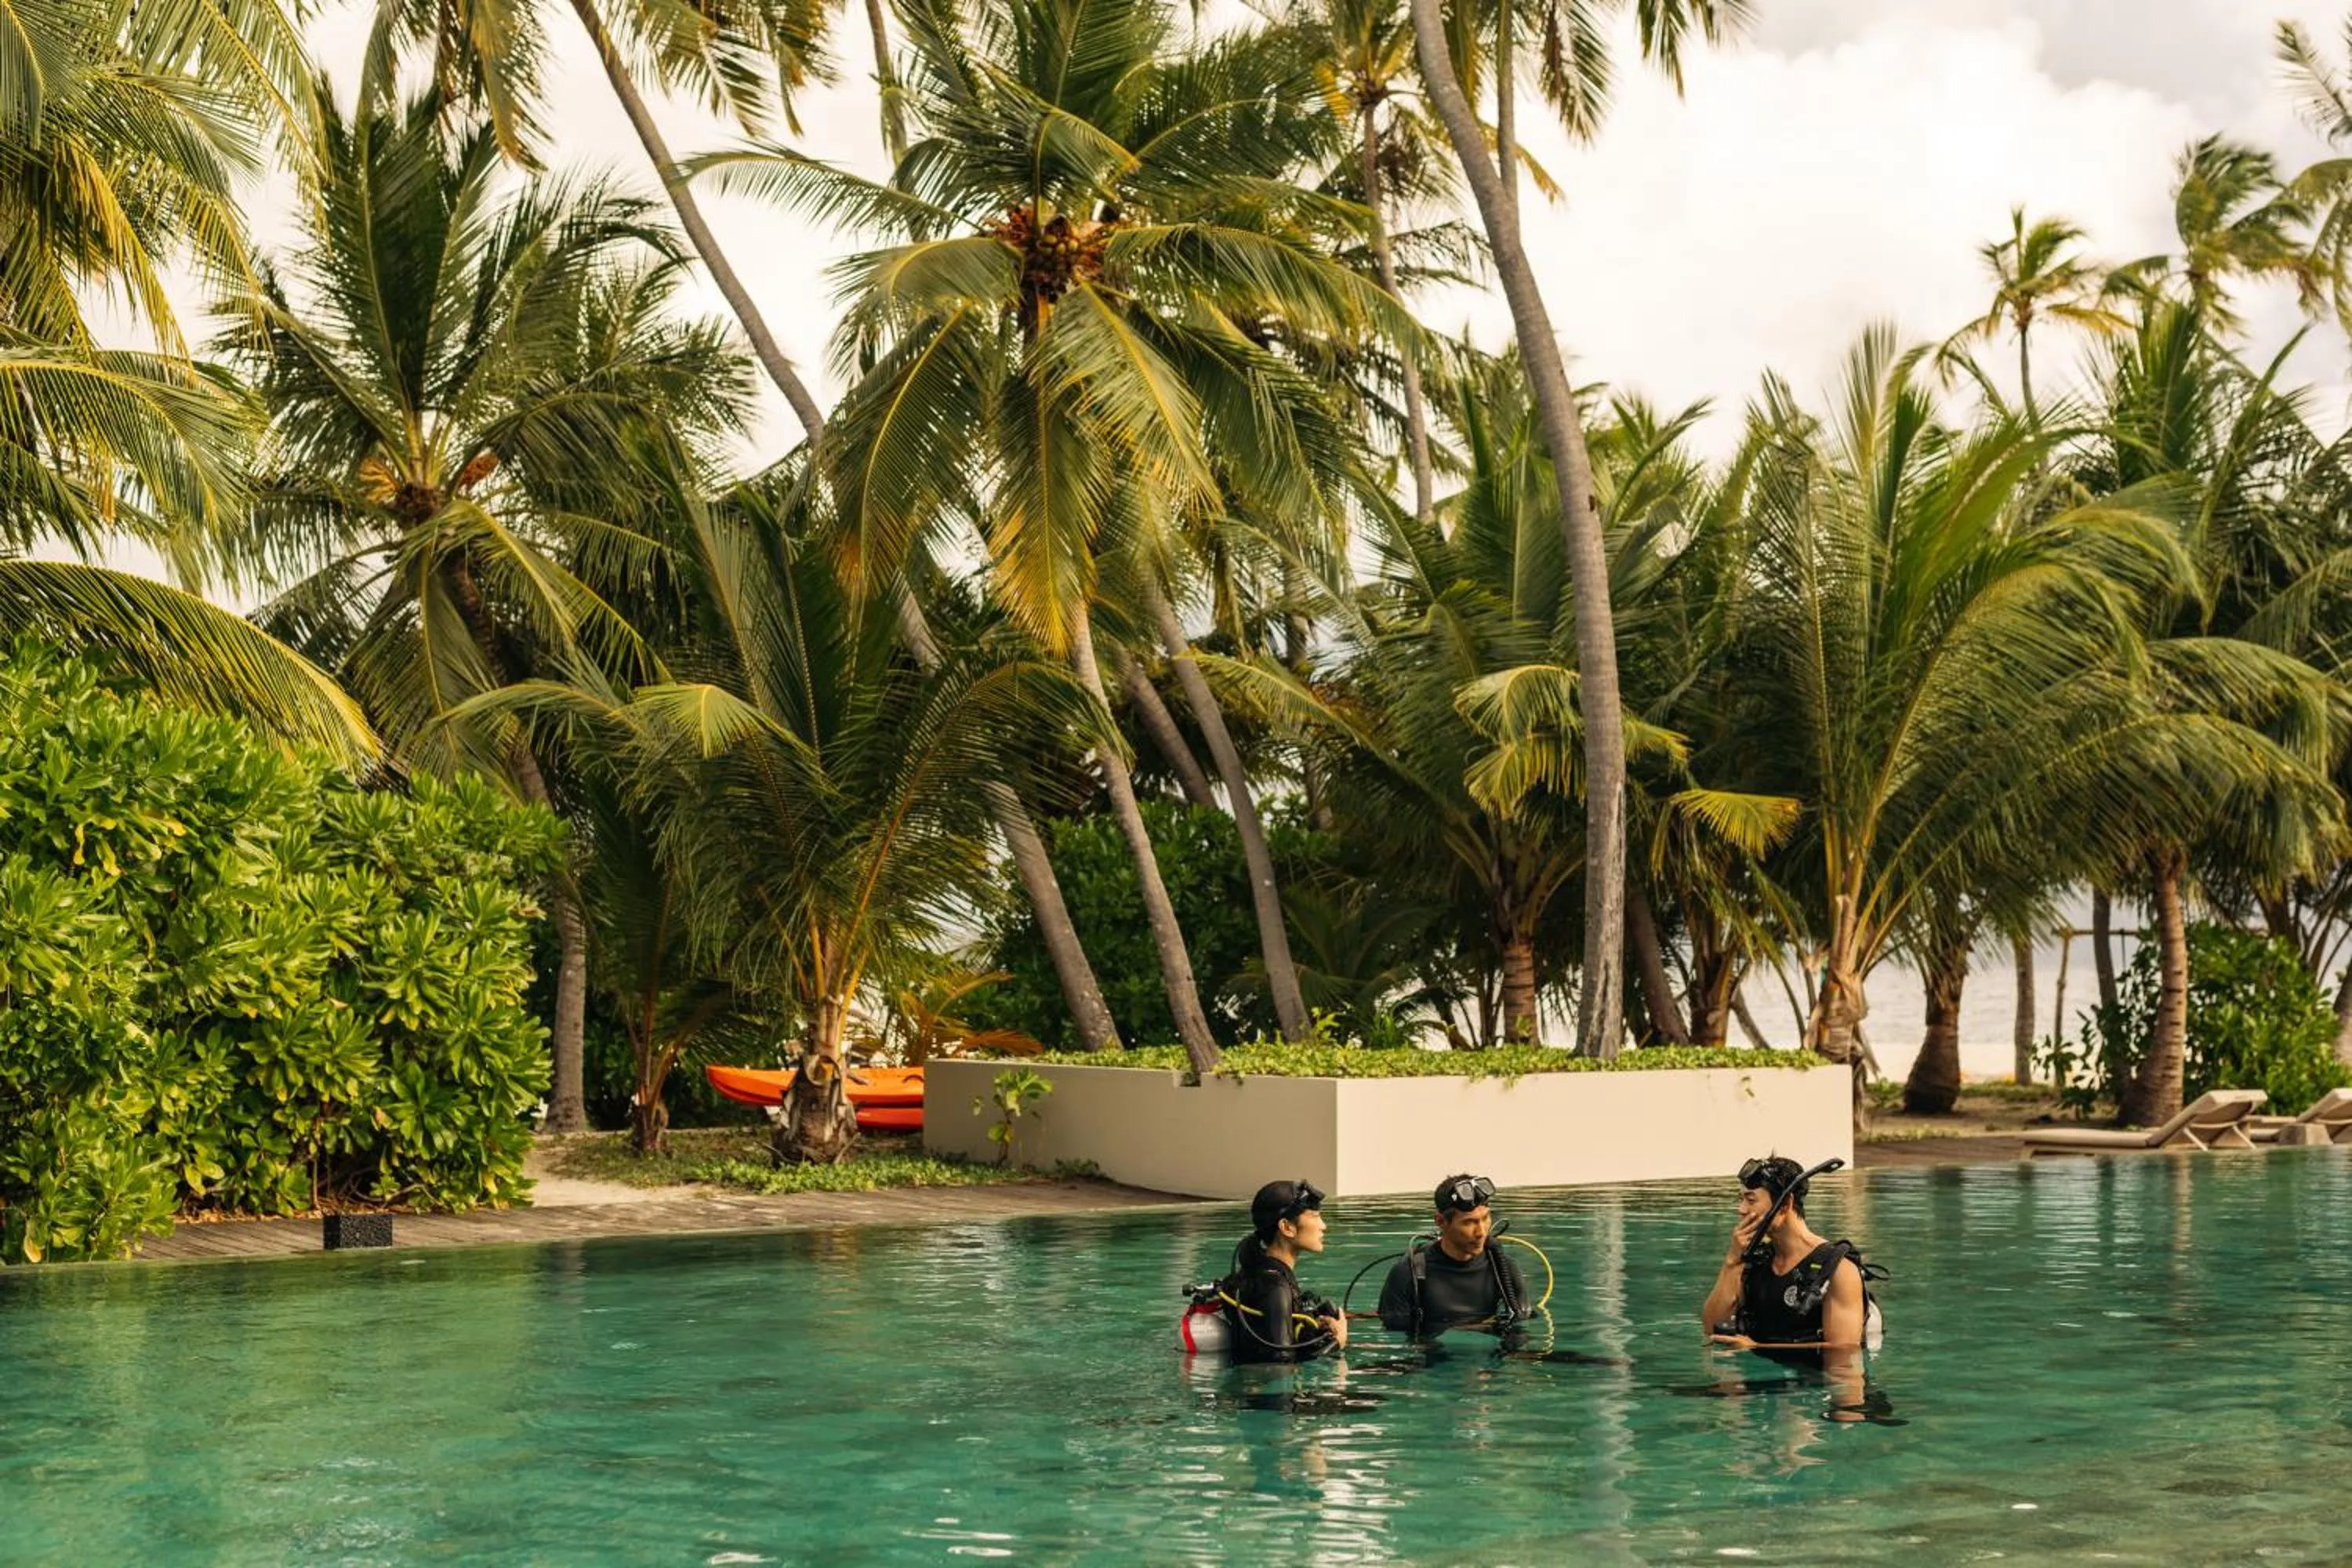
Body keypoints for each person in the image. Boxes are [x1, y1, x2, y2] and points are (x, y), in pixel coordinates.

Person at [1700, 1156, 1882, 1357]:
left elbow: (1844, 1354)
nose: (1741, 1209)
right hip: (1761, 1382)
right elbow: (1711, 1329)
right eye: (1741, 1199)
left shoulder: (1839, 1269)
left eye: (1751, 1200)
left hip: (1813, 1383)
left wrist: (1758, 1348)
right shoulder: (1754, 1261)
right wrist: (1732, 1262)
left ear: (1785, 1204)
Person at [1377, 1174, 1532, 1337]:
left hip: (1490, 1357)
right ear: (1441, 1222)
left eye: (1485, 1218)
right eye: (1469, 1222)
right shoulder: (1409, 1273)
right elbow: (1395, 1341)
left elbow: (1520, 1330)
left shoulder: (1503, 1268)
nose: (1481, 1232)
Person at [1219, 1178, 1347, 1363]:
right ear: (1287, 1228)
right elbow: (1280, 1365)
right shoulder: (1275, 1286)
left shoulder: (1257, 1272)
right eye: (1314, 1216)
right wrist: (1338, 1341)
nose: (1323, 1226)